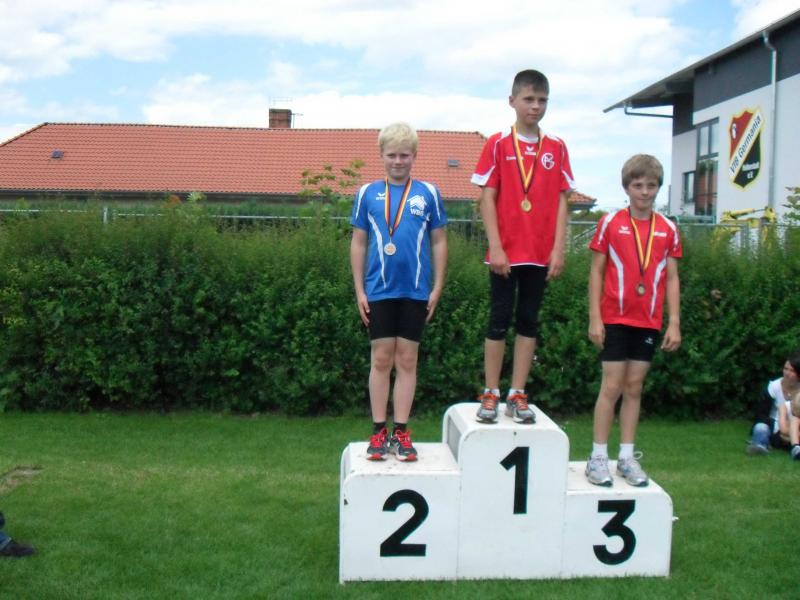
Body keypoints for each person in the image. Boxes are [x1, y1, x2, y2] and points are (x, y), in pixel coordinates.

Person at [472, 69, 575, 424]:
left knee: (529, 322)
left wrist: (559, 248)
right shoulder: (498, 143)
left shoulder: (556, 146)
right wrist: (496, 246)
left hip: (539, 253)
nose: (535, 106)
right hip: (506, 252)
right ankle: (490, 392)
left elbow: (563, 200)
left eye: (542, 100)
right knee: (498, 320)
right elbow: (487, 197)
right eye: (529, 99)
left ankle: (517, 393)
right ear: (512, 101)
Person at [350, 122, 448, 462]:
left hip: (416, 290)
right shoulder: (367, 193)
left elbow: (439, 240)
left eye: (404, 155)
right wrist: (359, 289)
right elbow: (358, 242)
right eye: (392, 155)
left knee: (407, 359)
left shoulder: (428, 193)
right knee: (380, 359)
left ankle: (402, 432)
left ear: (414, 156)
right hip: (378, 289)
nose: (398, 161)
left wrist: (437, 286)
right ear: (381, 155)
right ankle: (379, 431)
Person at [584, 154, 682, 487]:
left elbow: (672, 278)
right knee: (611, 385)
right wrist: (595, 317)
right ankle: (598, 456)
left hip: (648, 319)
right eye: (638, 185)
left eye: (651, 185)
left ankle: (626, 457)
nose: (644, 192)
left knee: (634, 386)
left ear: (658, 188)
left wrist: (674, 322)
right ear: (627, 187)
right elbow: (596, 271)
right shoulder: (610, 223)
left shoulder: (668, 228)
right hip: (614, 316)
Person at [745, 353, 800, 459]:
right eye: (785, 369)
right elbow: (761, 414)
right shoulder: (774, 387)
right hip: (773, 424)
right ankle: (759, 444)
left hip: (795, 425)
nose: (787, 373)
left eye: (792, 371)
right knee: (761, 427)